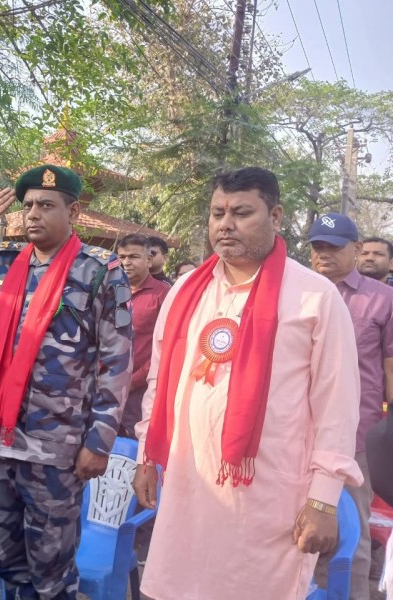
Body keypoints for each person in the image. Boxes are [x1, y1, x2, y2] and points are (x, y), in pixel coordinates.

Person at [132, 167, 363, 600]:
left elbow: (338, 403)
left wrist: (322, 499)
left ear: (275, 217)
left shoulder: (314, 296)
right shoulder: (184, 291)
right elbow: (160, 381)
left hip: (268, 498)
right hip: (188, 485)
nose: (225, 224)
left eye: (241, 212)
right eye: (217, 212)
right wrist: (147, 455)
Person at [0, 165, 132, 599]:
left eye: (46, 205)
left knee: (52, 569)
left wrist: (99, 442)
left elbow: (115, 363)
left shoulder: (99, 271)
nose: (33, 214)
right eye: (28, 206)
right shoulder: (3, 268)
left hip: (58, 446)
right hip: (1, 440)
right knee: (10, 562)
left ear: (72, 210)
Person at [308, 213, 393, 600]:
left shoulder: (383, 300)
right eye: (318, 247)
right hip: (297, 432)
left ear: (356, 250)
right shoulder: (299, 292)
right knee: (298, 525)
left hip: (355, 434)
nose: (324, 255)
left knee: (351, 532)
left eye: (334, 247)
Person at [116, 233, 170, 439]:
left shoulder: (163, 295)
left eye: (133, 257)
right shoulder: (109, 289)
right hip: (105, 386)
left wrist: (135, 380)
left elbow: (166, 347)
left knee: (133, 446)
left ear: (148, 260)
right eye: (122, 257)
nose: (126, 263)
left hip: (140, 390)